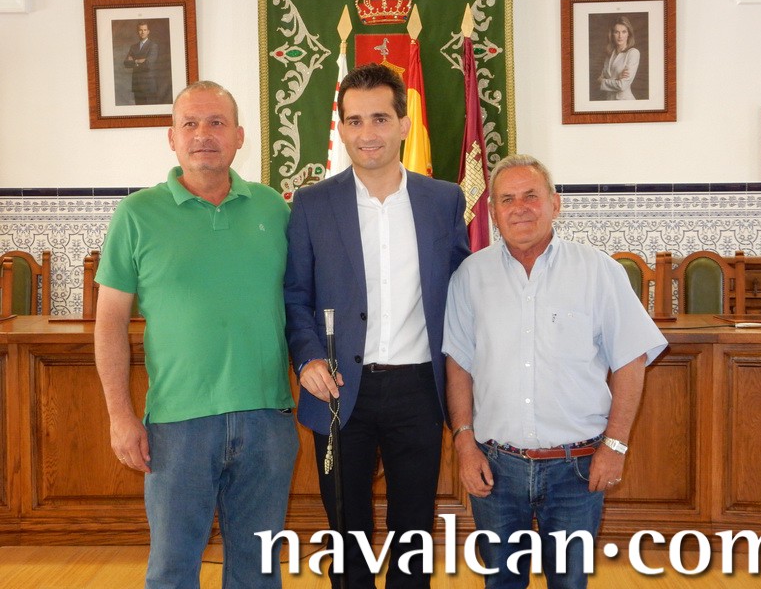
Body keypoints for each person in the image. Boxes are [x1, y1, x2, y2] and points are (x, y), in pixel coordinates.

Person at [94, 80, 298, 588]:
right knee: (172, 570)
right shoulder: (136, 214)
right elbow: (110, 322)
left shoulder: (274, 210)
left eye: (216, 123)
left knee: (258, 571)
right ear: (172, 137)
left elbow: (301, 302)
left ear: (239, 136)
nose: (203, 134)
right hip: (176, 426)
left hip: (266, 419)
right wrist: (119, 416)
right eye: (190, 123)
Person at [284, 62, 470, 589]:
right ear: (341, 129)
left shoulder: (443, 200)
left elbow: (462, 288)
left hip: (418, 388)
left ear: (404, 125)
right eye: (355, 120)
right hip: (340, 387)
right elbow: (295, 295)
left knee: (413, 529)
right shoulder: (312, 204)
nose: (368, 133)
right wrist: (307, 357)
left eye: (380, 118)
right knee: (347, 530)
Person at [443, 154, 667, 589]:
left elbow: (631, 359)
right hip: (495, 466)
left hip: (576, 470)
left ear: (555, 203)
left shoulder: (599, 272)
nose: (519, 208)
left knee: (568, 582)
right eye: (507, 199)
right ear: (493, 213)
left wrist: (616, 445)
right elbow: (459, 364)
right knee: (501, 582)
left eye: (531, 195)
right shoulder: (470, 276)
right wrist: (464, 444)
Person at [597, 16, 640, 100]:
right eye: (617, 32)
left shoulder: (633, 53)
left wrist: (602, 81)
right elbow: (598, 81)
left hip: (625, 101)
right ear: (612, 34)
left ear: (628, 34)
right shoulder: (610, 54)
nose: (620, 36)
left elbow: (622, 86)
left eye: (624, 32)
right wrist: (617, 78)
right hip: (609, 101)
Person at [124, 21, 160, 105]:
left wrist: (133, 61)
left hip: (148, 85)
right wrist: (137, 61)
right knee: (139, 109)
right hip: (136, 85)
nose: (142, 32)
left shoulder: (153, 46)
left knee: (150, 110)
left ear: (148, 31)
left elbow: (148, 65)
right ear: (138, 32)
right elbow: (126, 63)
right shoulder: (133, 47)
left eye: (145, 30)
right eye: (140, 30)